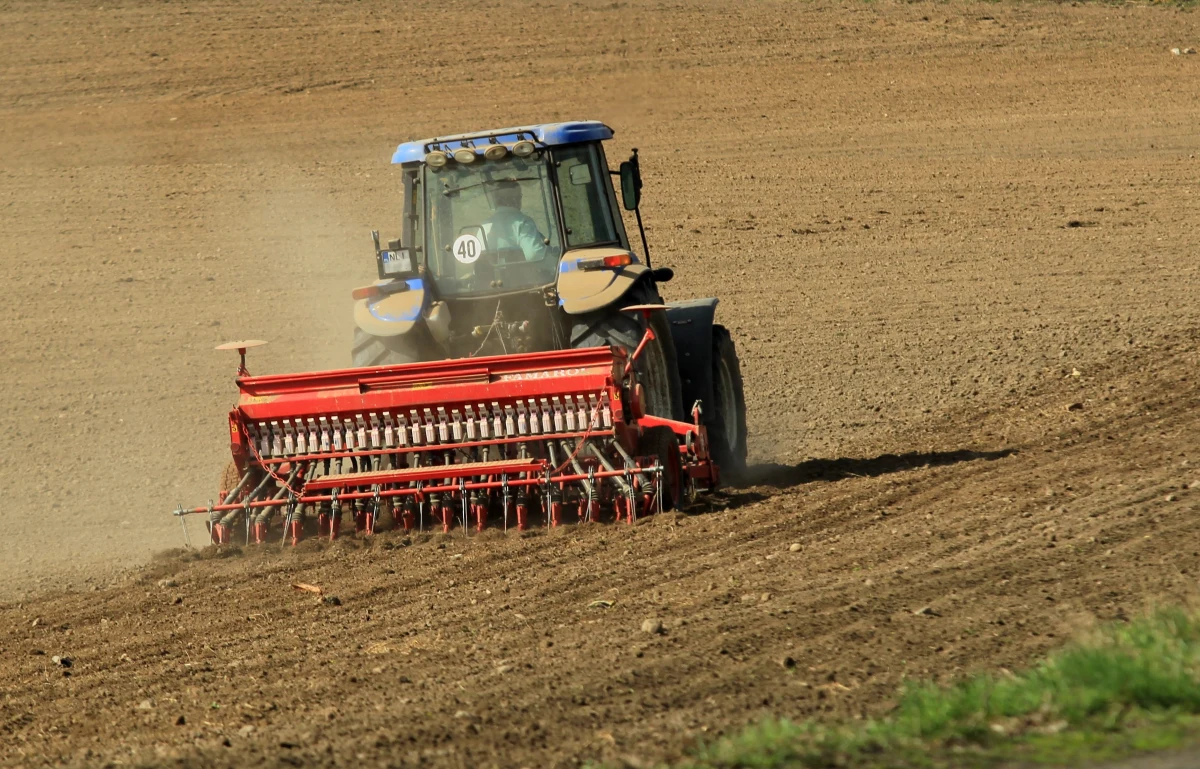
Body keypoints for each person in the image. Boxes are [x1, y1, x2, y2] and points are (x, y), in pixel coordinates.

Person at [482, 181, 551, 262]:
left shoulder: (484, 226)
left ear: (495, 200)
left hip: (489, 270)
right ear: (516, 199)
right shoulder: (523, 222)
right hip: (519, 270)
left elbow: (479, 260)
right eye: (519, 196)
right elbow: (534, 255)